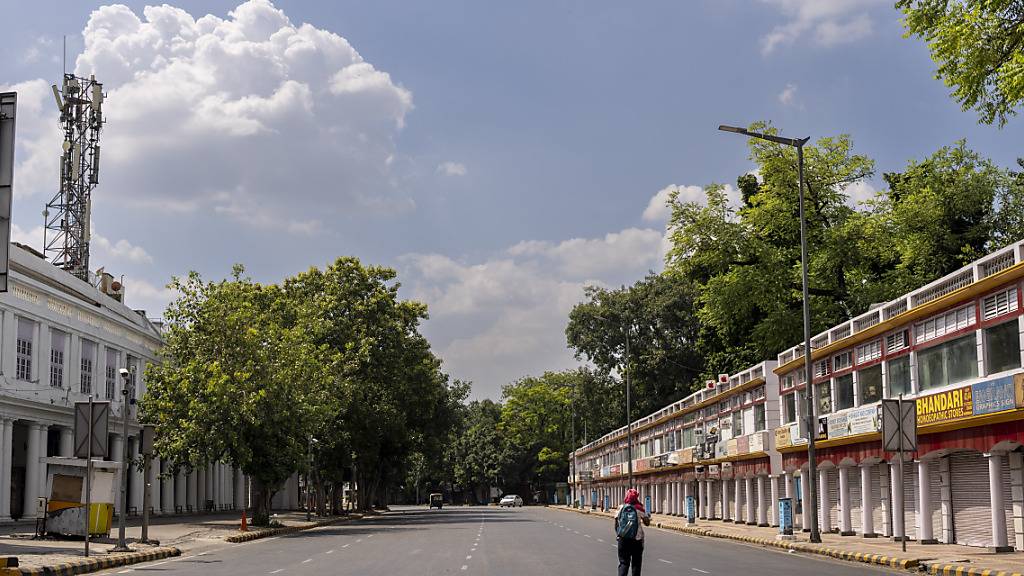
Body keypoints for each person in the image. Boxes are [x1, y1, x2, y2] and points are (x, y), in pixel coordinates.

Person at [614, 488, 651, 576]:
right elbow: (647, 523)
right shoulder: (639, 508)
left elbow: (616, 523)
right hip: (637, 540)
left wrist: (619, 535)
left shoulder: (621, 508)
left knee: (624, 563)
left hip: (623, 539)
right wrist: (647, 517)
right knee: (636, 564)